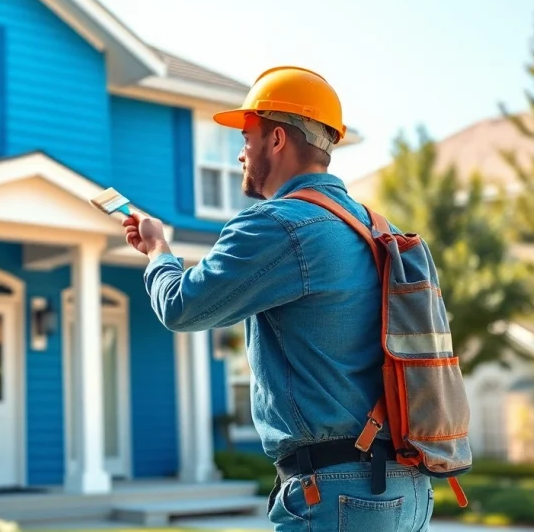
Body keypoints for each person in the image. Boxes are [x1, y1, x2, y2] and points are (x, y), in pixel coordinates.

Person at [122, 66, 435, 531]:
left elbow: (181, 307)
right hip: (408, 489)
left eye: (247, 137)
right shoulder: (375, 228)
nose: (239, 155)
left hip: (338, 493)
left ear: (277, 140)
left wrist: (158, 251)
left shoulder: (277, 224)